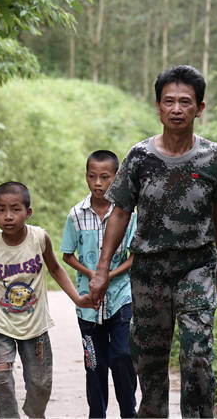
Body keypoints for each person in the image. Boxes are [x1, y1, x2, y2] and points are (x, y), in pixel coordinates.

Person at [89, 65, 217, 418]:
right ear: (157, 107)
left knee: (197, 352)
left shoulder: (215, 157)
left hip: (197, 266)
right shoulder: (140, 158)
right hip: (149, 271)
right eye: (168, 101)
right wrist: (102, 268)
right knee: (150, 360)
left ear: (200, 108)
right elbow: (120, 212)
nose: (176, 109)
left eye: (185, 102)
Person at [0, 181, 92, 419]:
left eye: (15, 209)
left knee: (40, 383)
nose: (8, 216)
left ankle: (35, 414)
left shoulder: (39, 238)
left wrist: (78, 298)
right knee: (1, 377)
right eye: (1, 210)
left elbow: (55, 269)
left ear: (28, 212)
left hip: (35, 326)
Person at [61, 150, 137, 418]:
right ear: (86, 177)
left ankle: (129, 412)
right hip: (88, 303)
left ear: (116, 179)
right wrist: (92, 275)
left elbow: (134, 256)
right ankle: (97, 414)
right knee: (94, 365)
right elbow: (67, 255)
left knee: (122, 357)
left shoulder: (126, 214)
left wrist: (109, 275)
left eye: (105, 177)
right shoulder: (76, 214)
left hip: (121, 298)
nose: (98, 183)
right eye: (92, 177)